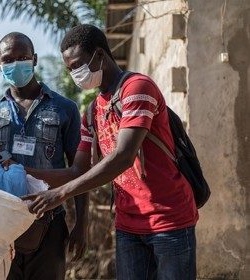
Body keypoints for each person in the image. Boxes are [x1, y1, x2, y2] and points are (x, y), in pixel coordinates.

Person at [22, 24, 198, 280]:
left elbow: (123, 157)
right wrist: (19, 170)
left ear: (100, 56)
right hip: (128, 225)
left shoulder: (137, 89)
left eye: (78, 65)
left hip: (168, 220)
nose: (75, 73)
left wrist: (59, 194)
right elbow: (77, 171)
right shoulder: (92, 113)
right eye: (70, 69)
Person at [0, 32, 89, 280]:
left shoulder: (64, 109)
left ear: (34, 59)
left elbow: (80, 170)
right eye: (8, 59)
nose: (15, 63)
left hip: (50, 221)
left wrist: (81, 223)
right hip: (3, 227)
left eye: (23, 57)